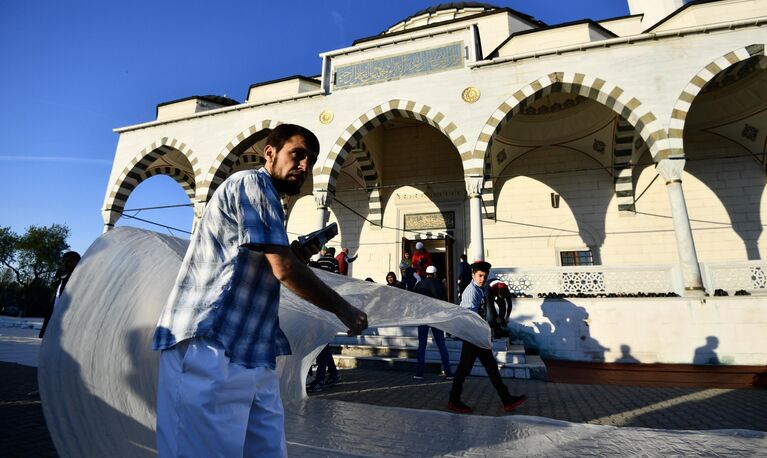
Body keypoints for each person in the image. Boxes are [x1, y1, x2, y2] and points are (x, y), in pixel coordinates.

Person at [151, 124, 368, 457]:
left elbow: (270, 264)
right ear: (270, 153)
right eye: (297, 154)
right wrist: (343, 308)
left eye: (310, 159)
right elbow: (283, 270)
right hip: (210, 346)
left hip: (252, 353)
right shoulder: (250, 183)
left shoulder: (270, 202)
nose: (304, 166)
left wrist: (295, 254)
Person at [448, 260, 526, 414]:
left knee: (491, 368)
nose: (482, 279)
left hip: (477, 336)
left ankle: (507, 399)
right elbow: (470, 316)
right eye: (480, 275)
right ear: (473, 275)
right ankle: (454, 400)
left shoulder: (479, 289)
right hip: (472, 336)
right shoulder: (471, 292)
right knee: (464, 370)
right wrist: (485, 331)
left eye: (485, 276)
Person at [412, 265, 454, 380]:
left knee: (422, 345)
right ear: (435, 274)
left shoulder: (420, 283)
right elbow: (444, 301)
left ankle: (419, 373)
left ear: (426, 273)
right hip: (436, 317)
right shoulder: (440, 284)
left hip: (423, 317)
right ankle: (448, 372)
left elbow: (416, 300)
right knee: (441, 344)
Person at [39, 251, 80, 338]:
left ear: (77, 262)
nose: (65, 264)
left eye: (69, 261)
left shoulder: (80, 279)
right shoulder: (63, 277)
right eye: (63, 261)